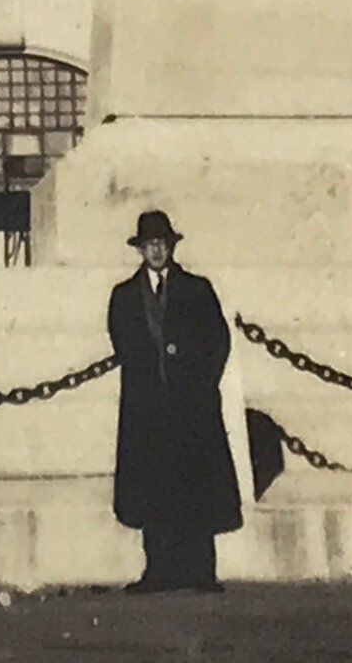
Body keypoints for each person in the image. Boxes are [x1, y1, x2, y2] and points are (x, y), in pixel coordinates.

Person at [106, 209, 242, 593]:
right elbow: (123, 342)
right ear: (140, 249)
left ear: (171, 247)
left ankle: (201, 571)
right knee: (154, 489)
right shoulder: (124, 296)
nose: (156, 251)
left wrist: (201, 384)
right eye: (149, 244)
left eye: (161, 244)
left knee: (195, 485)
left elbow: (218, 340)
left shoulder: (198, 290)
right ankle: (158, 571)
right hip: (148, 411)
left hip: (191, 408)